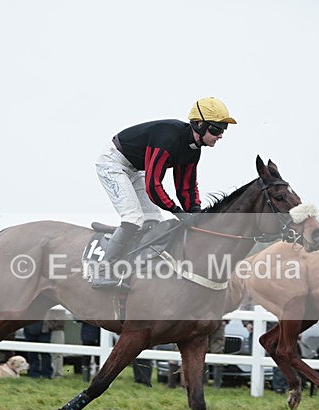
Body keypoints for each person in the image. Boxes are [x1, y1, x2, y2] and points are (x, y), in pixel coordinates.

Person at [92, 97, 237, 289]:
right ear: (200, 125)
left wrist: (195, 211)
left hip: (135, 170)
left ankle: (133, 267)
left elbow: (186, 186)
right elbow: (153, 186)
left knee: (156, 224)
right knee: (133, 218)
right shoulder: (168, 138)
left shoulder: (193, 150)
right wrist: (178, 212)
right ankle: (103, 270)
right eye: (216, 129)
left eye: (222, 131)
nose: (220, 136)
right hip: (113, 163)